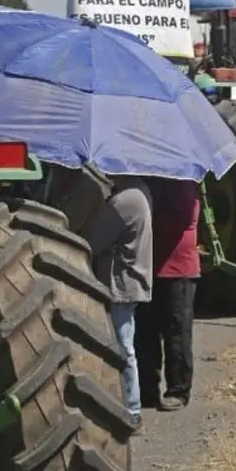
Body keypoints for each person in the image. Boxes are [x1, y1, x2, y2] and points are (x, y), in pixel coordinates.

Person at [85, 176, 153, 430]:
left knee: (123, 347)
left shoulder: (123, 201)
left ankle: (131, 409)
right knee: (125, 344)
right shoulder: (142, 192)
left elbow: (94, 241)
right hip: (133, 280)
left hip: (120, 284)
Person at [136, 177, 199, 411]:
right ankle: (147, 390)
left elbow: (183, 220)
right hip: (149, 266)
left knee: (177, 331)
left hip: (177, 269)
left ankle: (178, 390)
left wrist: (144, 216)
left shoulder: (182, 182)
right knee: (145, 332)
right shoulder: (149, 182)